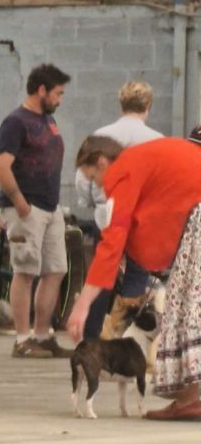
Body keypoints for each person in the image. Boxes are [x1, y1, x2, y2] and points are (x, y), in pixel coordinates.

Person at [67, 133, 201, 420]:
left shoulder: (123, 172)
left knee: (186, 304)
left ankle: (190, 399)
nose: (97, 186)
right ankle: (189, 397)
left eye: (92, 178)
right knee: (188, 302)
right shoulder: (141, 158)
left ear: (102, 162)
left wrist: (83, 305)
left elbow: (113, 241)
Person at [0, 63, 72, 359]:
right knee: (25, 270)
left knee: (55, 270)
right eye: (57, 94)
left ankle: (42, 335)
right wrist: (20, 204)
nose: (59, 100)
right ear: (41, 90)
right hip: (27, 209)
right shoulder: (16, 122)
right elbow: (0, 166)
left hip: (50, 208)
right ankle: (22, 339)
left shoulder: (48, 121)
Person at [75, 81, 163, 340]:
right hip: (143, 218)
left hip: (108, 215)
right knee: (137, 277)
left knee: (103, 274)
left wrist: (92, 202)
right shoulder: (157, 140)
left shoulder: (102, 135)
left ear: (120, 103)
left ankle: (91, 339)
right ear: (148, 106)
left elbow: (83, 179)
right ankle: (125, 339)